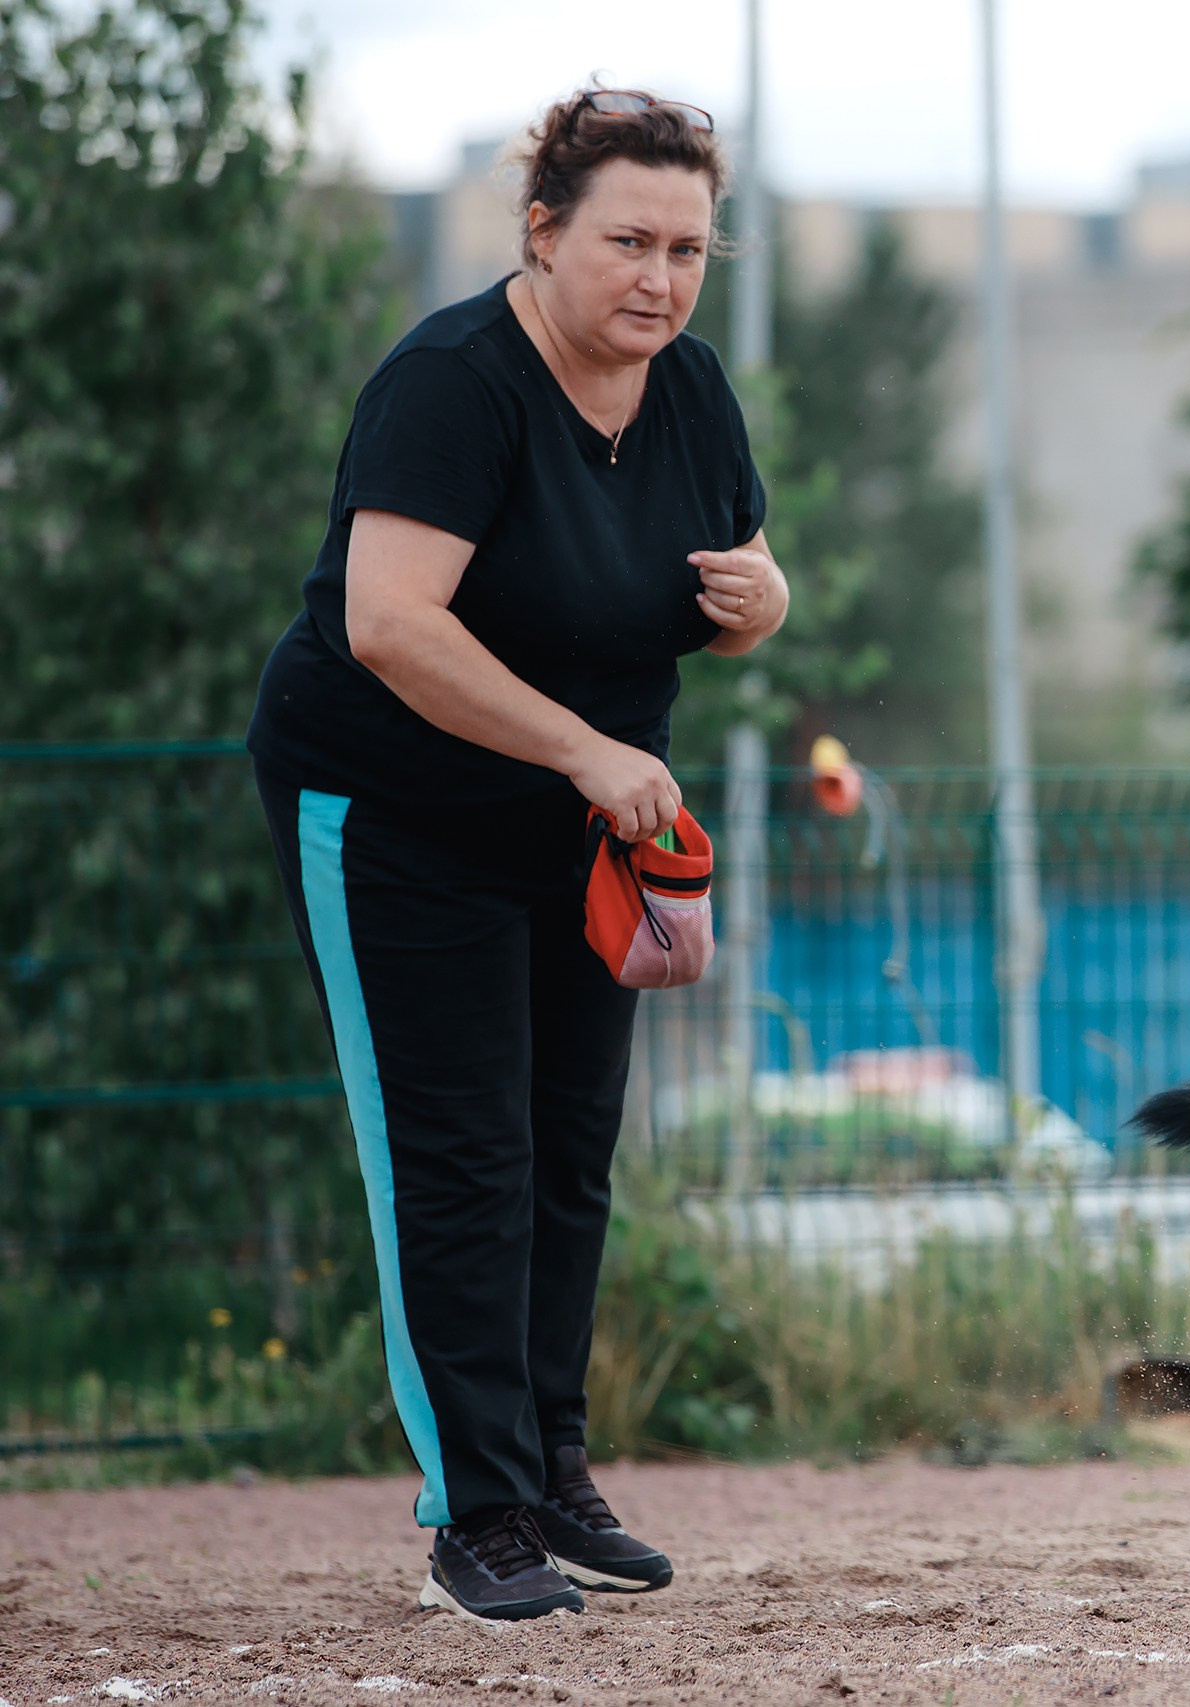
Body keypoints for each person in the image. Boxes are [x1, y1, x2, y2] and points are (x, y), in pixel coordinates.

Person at [245, 88, 788, 1621]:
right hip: (394, 815)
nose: (659, 278)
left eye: (687, 247)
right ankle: (471, 1507)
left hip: (584, 831)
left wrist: (771, 600)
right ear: (542, 231)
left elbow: (737, 569)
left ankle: (550, 1463)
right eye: (626, 238)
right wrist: (584, 749)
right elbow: (387, 623)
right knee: (456, 1158)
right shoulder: (450, 384)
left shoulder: (687, 388)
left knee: (566, 1150)